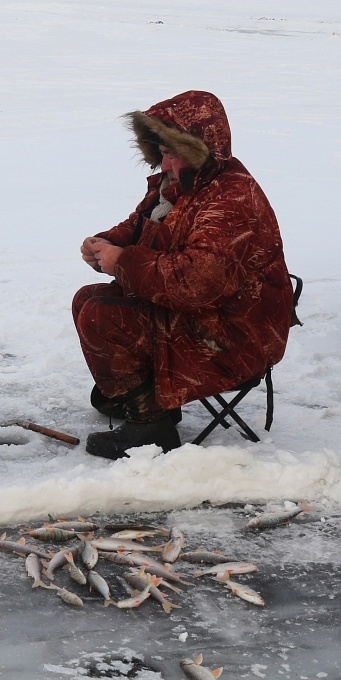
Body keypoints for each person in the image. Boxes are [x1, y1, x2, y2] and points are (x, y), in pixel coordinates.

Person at [74, 91, 295, 460]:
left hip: (232, 334)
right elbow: (139, 227)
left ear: (198, 150)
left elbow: (195, 284)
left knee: (104, 316)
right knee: (88, 299)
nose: (163, 165)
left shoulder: (229, 200)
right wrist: (107, 243)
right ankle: (139, 396)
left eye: (171, 153)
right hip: (204, 317)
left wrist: (123, 262)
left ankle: (151, 428)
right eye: (161, 153)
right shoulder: (182, 185)